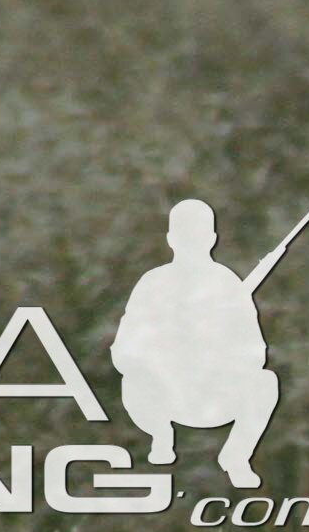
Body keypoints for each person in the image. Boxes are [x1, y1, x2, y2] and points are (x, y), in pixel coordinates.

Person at [115, 197, 284, 488]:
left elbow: (256, 352)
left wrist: (219, 351)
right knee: (133, 382)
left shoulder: (229, 285)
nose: (191, 243)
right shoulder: (152, 284)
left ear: (212, 239)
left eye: (197, 236)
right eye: (185, 236)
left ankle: (236, 456)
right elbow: (124, 352)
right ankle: (161, 437)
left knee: (265, 383)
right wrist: (163, 356)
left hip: (216, 395)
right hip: (166, 397)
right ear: (171, 239)